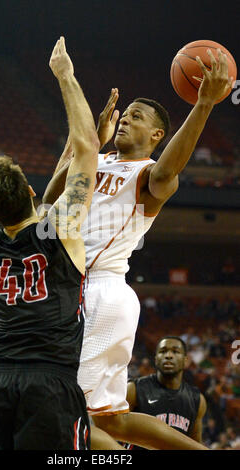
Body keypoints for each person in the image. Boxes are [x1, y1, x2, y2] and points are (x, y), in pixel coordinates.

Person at [42, 48, 231, 449]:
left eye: (137, 118)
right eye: (124, 115)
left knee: (68, 416)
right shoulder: (98, 159)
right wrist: (88, 140)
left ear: (157, 135)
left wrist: (203, 105)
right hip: (85, 294)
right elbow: (50, 200)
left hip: (98, 291)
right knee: (113, 421)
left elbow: (170, 169)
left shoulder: (148, 176)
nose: (125, 119)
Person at [0, 36, 100, 450]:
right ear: (29, 189)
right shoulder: (59, 228)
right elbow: (89, 149)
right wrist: (66, 76)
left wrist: (75, 150)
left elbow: (45, 206)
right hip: (49, 384)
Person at [124, 336, 207, 449]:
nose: (168, 355)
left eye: (175, 351)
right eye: (163, 351)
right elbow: (114, 432)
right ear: (156, 359)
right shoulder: (134, 389)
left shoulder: (197, 399)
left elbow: (195, 444)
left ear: (185, 360)